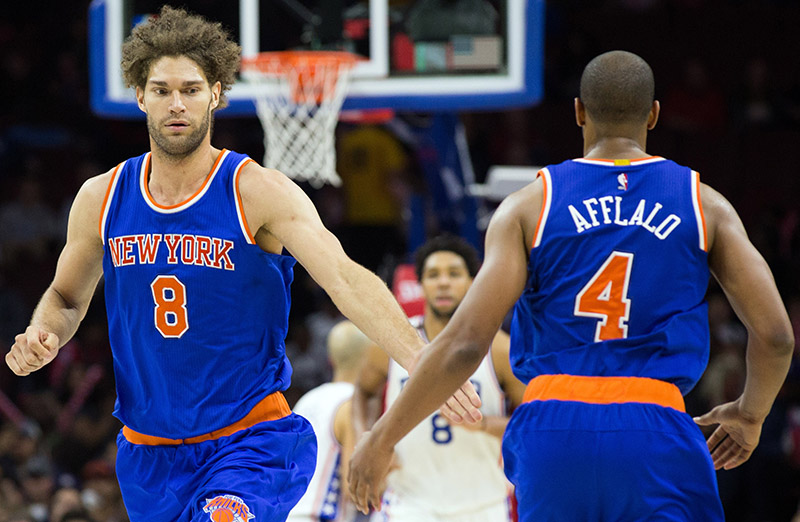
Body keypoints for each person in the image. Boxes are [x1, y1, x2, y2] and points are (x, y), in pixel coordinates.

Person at [5, 7, 479, 522]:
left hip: (248, 444)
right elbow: (66, 298)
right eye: (161, 90)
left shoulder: (256, 192)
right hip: (148, 452)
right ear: (140, 96)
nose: (176, 103)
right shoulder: (101, 197)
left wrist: (421, 360)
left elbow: (344, 278)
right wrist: (43, 334)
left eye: (190, 88)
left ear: (216, 93)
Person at [347, 50, 795, 521]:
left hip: (553, 427)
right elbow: (777, 336)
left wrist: (381, 437)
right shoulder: (704, 204)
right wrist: (749, 414)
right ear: (655, 114)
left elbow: (462, 345)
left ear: (579, 111)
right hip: (654, 423)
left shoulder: (528, 206)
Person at [354, 235, 525, 521]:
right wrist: (367, 438)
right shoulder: (393, 344)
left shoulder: (499, 349)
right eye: (433, 275)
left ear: (473, 282)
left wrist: (484, 425)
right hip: (407, 502)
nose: (443, 282)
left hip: (484, 504)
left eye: (454, 274)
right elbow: (362, 391)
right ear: (420, 284)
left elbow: (531, 421)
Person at [287, 320, 371, 522]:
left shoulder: (308, 398)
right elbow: (354, 489)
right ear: (370, 360)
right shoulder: (353, 405)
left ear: (331, 359)